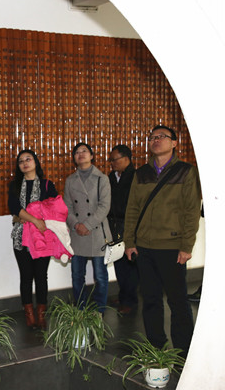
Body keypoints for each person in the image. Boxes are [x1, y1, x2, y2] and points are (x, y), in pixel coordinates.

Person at [124, 125, 201, 357]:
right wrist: (129, 242)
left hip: (172, 247)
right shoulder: (141, 173)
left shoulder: (186, 172)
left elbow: (191, 211)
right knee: (150, 300)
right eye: (152, 137)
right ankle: (155, 347)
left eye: (162, 137)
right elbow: (132, 209)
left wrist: (186, 246)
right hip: (144, 247)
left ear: (174, 143)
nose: (156, 140)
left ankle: (183, 351)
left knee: (178, 301)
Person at [8, 150, 58, 329]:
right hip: (21, 238)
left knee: (41, 276)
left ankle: (41, 314)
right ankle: (29, 314)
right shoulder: (14, 186)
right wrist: (34, 219)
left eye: (28, 159)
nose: (25, 163)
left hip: (42, 237)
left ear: (35, 162)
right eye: (21, 161)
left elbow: (54, 208)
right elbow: (14, 207)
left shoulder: (47, 185)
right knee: (26, 276)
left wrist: (28, 218)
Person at [63, 142, 111, 313]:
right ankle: (81, 309)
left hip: (97, 232)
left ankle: (99, 310)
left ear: (91, 156)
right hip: (77, 233)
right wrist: (76, 224)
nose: (81, 154)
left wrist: (88, 225)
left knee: (100, 276)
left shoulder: (102, 179)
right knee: (77, 275)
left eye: (84, 151)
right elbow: (67, 207)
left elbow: (104, 206)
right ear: (74, 158)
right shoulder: (70, 180)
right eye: (77, 152)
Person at [107, 145, 138, 315]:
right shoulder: (111, 177)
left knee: (130, 264)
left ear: (126, 158)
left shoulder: (135, 177)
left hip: (129, 224)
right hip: (114, 224)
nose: (112, 163)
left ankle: (130, 301)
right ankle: (122, 295)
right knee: (118, 261)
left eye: (115, 159)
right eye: (111, 160)